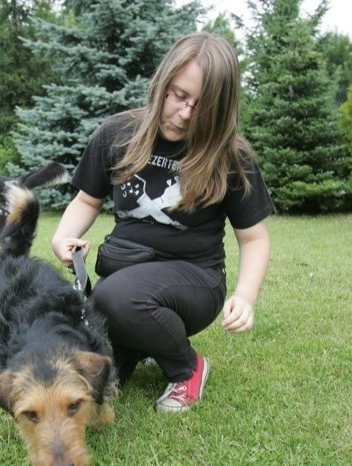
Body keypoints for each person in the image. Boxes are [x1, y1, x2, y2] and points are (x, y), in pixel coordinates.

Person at [51, 33, 274, 413]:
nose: (186, 114)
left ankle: (187, 368)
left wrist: (246, 295)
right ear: (161, 84)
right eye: (179, 95)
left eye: (202, 106)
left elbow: (254, 238)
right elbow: (87, 199)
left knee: (114, 298)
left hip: (195, 281)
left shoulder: (229, 155)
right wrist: (63, 236)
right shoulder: (117, 134)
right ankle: (143, 343)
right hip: (126, 274)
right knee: (92, 377)